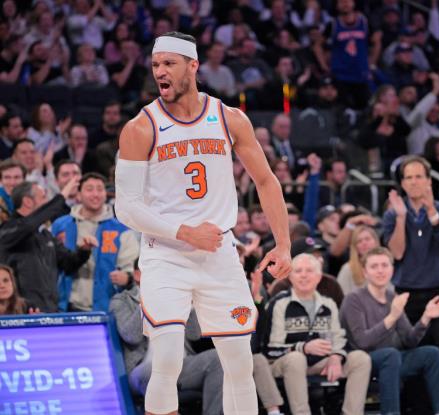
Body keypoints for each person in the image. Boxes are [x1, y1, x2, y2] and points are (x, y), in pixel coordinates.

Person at [114, 32, 291, 415]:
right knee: (166, 360)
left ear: (193, 66)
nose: (160, 71)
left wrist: (283, 244)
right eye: (155, 64)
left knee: (240, 363)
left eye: (169, 64)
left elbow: (266, 180)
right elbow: (125, 207)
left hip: (218, 251)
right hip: (166, 254)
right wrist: (184, 232)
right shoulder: (140, 128)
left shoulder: (230, 118)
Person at [382, 155, 439, 411]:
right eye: (408, 177)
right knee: (414, 353)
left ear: (429, 180)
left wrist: (431, 213)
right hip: (407, 293)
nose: (414, 182)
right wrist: (399, 218)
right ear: (403, 184)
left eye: (419, 176)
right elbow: (396, 253)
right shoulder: (392, 214)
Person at [340, 247, 439, 415]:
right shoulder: (354, 299)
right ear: (365, 272)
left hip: (392, 360)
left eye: (384, 265)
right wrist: (392, 317)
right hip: (362, 361)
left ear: (392, 270)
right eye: (374, 266)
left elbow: (409, 340)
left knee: (431, 353)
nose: (380, 270)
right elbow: (361, 342)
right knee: (391, 354)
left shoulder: (392, 297)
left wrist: (425, 318)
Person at [110, 259, 224, 414]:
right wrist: (149, 298)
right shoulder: (122, 300)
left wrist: (190, 305)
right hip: (143, 368)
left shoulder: (177, 295)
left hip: (181, 364)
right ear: (137, 275)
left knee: (218, 358)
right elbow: (131, 336)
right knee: (158, 368)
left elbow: (194, 334)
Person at [262, 253, 372, 415]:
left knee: (360, 359)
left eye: (310, 271)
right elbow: (270, 349)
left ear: (319, 277)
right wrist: (303, 348)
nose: (304, 275)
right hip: (282, 364)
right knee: (296, 358)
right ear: (290, 276)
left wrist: (336, 356)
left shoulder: (328, 304)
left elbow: (338, 338)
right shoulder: (279, 303)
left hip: (319, 364)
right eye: (298, 271)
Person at [0, 179, 94, 312]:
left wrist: (84, 250)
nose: (46, 202)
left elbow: (68, 264)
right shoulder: (8, 230)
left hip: (51, 310)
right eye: (43, 197)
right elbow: (29, 225)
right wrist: (61, 197)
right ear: (27, 201)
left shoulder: (45, 235)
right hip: (21, 313)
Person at [52, 173, 139, 312]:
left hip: (106, 309)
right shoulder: (60, 225)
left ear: (106, 194)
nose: (95, 194)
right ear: (79, 195)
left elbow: (133, 269)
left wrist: (127, 278)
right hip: (65, 306)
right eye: (89, 189)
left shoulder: (121, 230)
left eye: (100, 189)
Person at [336, 225, 381, 295]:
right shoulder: (347, 269)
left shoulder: (385, 265)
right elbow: (341, 298)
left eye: (367, 239)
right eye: (359, 241)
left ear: (376, 242)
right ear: (355, 247)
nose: (364, 243)